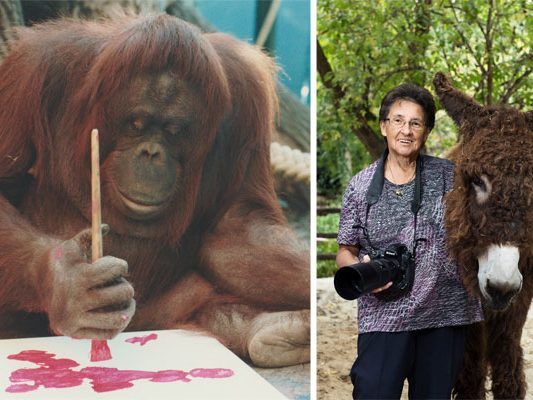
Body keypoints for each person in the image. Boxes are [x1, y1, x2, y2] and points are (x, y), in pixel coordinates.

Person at [336, 83, 483, 399]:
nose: (406, 130)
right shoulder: (360, 188)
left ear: (427, 130)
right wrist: (362, 272)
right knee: (372, 391)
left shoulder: (452, 178)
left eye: (415, 123)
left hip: (445, 314)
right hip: (383, 313)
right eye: (398, 120)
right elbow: (345, 250)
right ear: (383, 126)